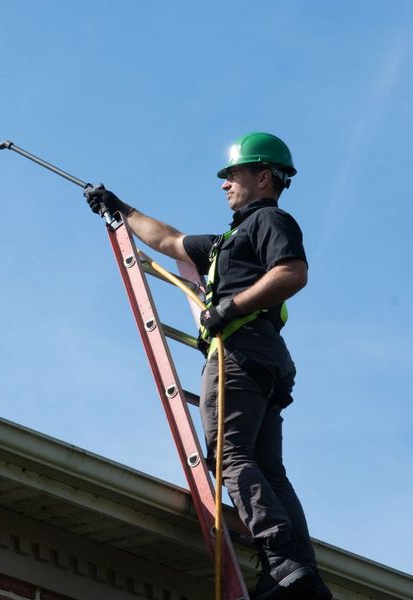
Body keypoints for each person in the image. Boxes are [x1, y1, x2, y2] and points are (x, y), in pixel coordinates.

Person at [85, 132, 332, 600]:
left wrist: (229, 309)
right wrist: (120, 208)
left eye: (232, 175)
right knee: (267, 468)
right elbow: (170, 241)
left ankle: (279, 557)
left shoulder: (270, 221)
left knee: (228, 454)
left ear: (262, 177)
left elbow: (291, 273)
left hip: (240, 353)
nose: (224, 185)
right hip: (263, 359)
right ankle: (298, 573)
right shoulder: (226, 243)